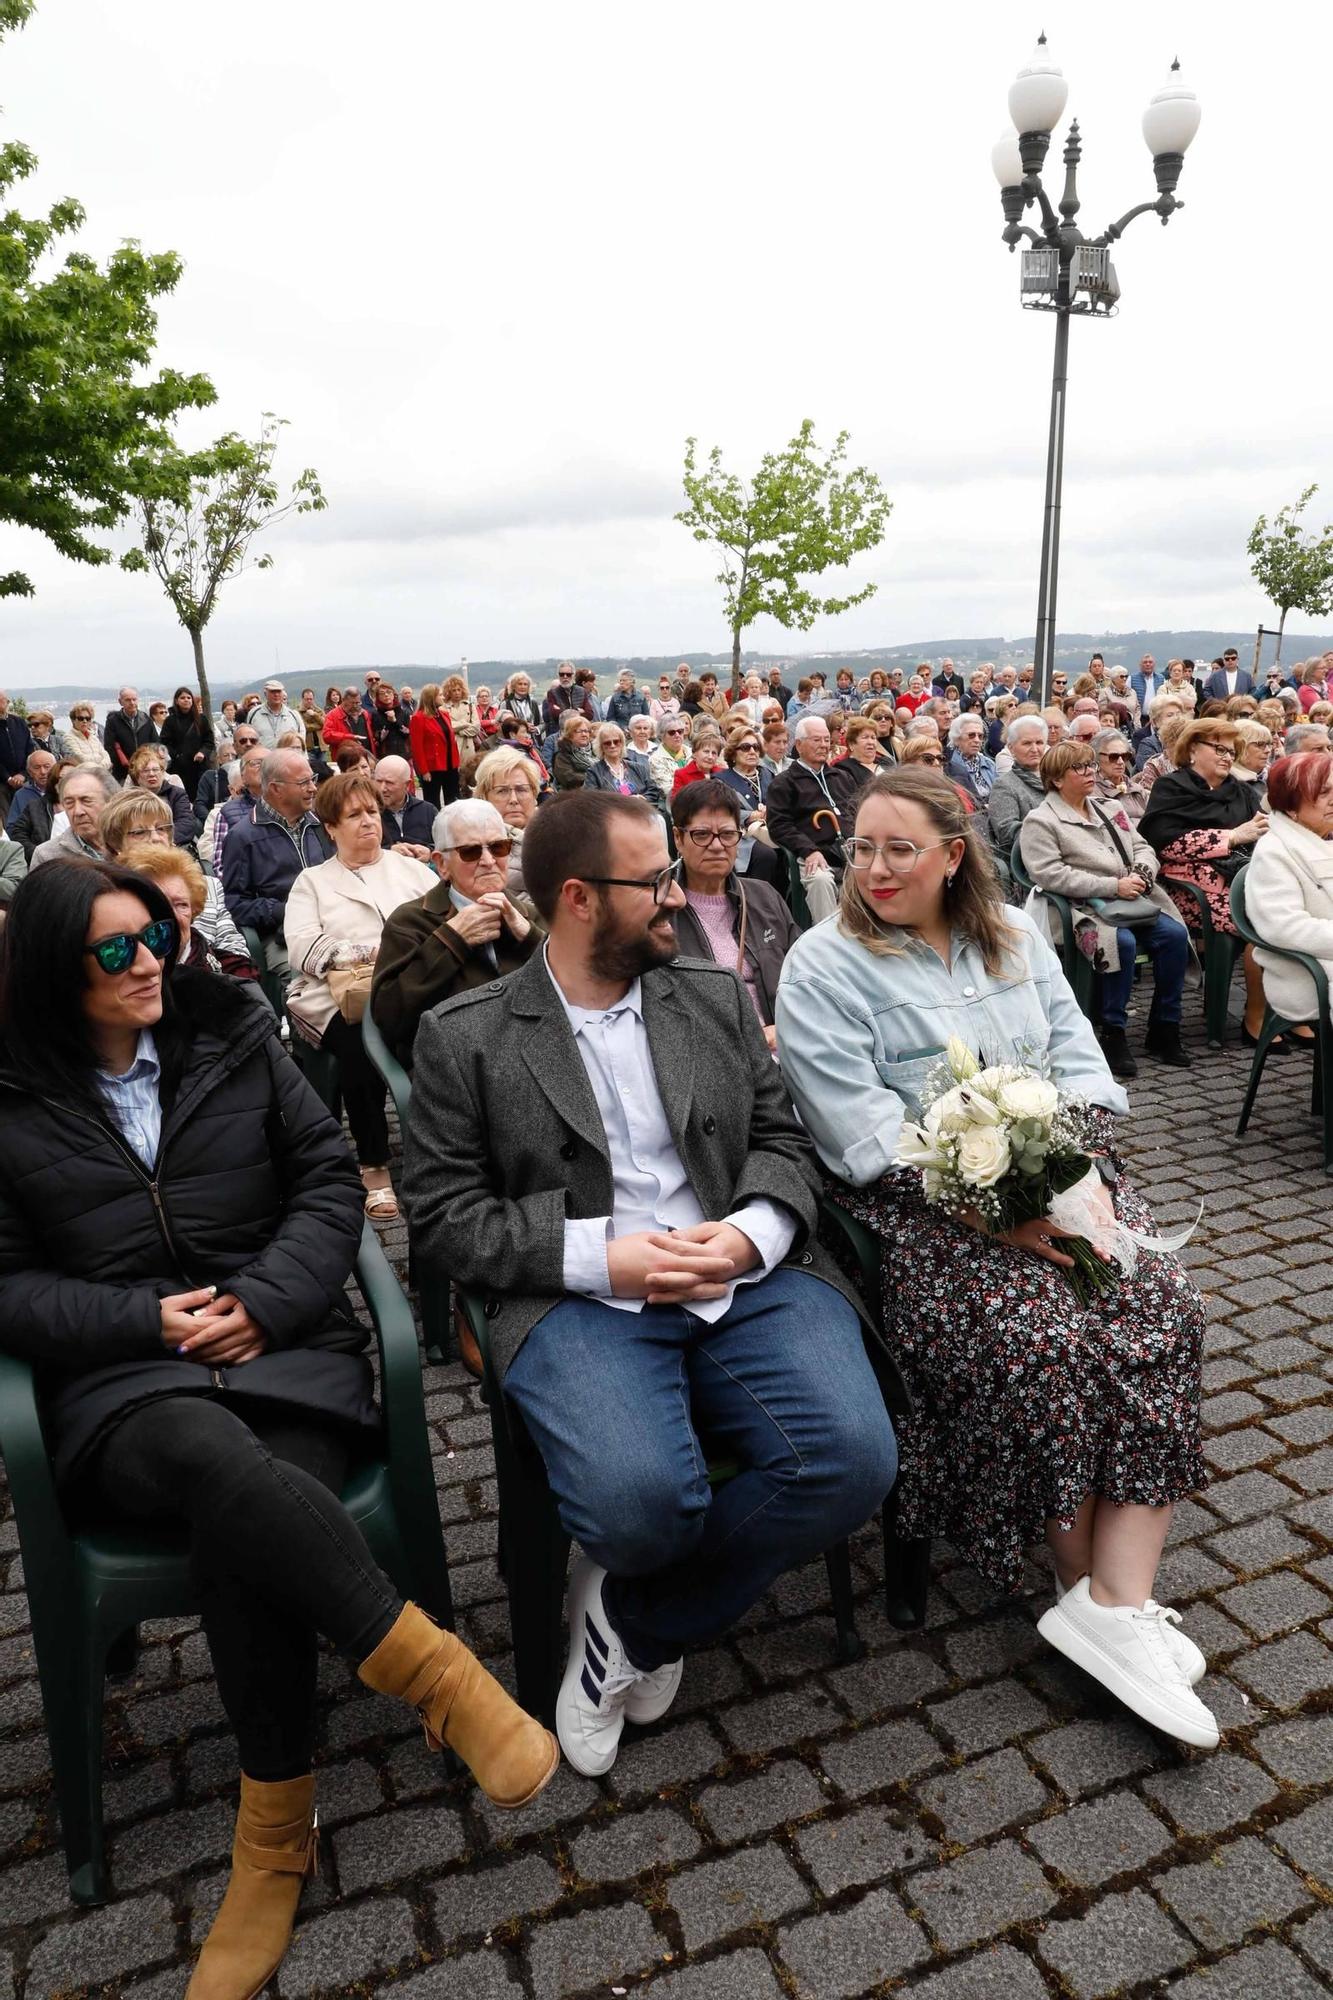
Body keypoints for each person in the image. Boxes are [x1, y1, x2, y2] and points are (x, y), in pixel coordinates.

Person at [0, 858, 558, 1998]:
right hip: (126, 1379)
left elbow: (328, 1180)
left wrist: (263, 1298)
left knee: (245, 1525)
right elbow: (4, 1282)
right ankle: (439, 1676)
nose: (150, 957)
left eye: (151, 932)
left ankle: (272, 1842)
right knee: (218, 1462)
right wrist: (143, 1321)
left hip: (283, 1347)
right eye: (114, 949)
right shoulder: (10, 1091)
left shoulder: (231, 1032)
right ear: (57, 971)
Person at [402, 790, 900, 1776]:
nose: (676, 895)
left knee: (851, 1460)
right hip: (578, 1296)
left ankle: (630, 1622)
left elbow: (782, 1140)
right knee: (638, 1506)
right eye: (656, 879)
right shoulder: (466, 1033)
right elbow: (441, 1215)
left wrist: (751, 1234)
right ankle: (631, 1567)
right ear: (579, 898)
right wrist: (599, 1255)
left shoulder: (708, 995)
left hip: (744, 1276)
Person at [776, 768, 1215, 1748]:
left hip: (1057, 1176)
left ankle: (1112, 1599)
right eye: (862, 847)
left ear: (952, 853)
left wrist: (1073, 1173)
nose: (875, 866)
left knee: (1160, 1305)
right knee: (1042, 1334)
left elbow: (1079, 1059)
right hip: (923, 1215)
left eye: (898, 847)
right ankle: (1081, 1586)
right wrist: (995, 1210)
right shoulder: (822, 963)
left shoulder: (1015, 935)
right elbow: (859, 1135)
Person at [284, 772, 437, 1219]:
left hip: (415, 991)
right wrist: (376, 953)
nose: (368, 821)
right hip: (339, 999)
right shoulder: (312, 882)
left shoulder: (410, 870)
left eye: (372, 811)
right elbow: (302, 947)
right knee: (359, 1049)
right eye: (353, 815)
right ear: (331, 827)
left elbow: (443, 929)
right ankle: (374, 1165)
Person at [1019, 740, 1191, 1076]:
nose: (1089, 773)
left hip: (1131, 900)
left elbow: (1143, 847)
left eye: (1090, 766)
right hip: (1079, 909)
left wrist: (1141, 875)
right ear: (1056, 779)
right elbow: (1049, 874)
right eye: (1079, 768)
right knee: (1119, 944)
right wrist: (1113, 886)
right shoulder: (1041, 821)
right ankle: (1114, 1032)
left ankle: (1165, 1025)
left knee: (1174, 935)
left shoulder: (1110, 808)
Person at [371, 799, 538, 1069]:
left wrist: (529, 936)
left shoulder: (532, 916)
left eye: (498, 847)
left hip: (533, 1059)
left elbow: (579, 994)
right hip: (455, 1071)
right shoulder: (409, 922)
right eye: (470, 852)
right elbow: (390, 1017)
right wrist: (451, 941)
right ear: (442, 864)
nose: (488, 861)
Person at [1139, 718, 1272, 1044]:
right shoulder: (1171, 788)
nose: (1228, 756)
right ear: (1193, 749)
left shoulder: (1240, 792)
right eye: (1219, 749)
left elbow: (1261, 836)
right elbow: (1166, 843)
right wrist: (1231, 837)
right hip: (1186, 887)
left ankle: (1272, 1015)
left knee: (1278, 919)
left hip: (1241, 880)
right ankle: (1255, 1018)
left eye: (1232, 751)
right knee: (1259, 924)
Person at [671, 781, 800, 1050]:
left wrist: (786, 1026)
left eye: (728, 834)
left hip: (782, 1052)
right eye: (702, 835)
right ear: (678, 839)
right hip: (710, 1060)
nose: (717, 846)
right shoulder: (660, 911)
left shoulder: (765, 897)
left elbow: (804, 979)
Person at [101, 788, 254, 977]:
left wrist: (239, 987)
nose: (155, 838)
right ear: (116, 845)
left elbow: (230, 942)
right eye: (140, 832)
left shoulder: (207, 884)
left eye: (161, 829)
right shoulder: (108, 895)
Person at [221, 751, 333, 978]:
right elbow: (234, 904)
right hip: (281, 934)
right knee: (302, 976)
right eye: (304, 782)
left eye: (313, 780)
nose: (313, 788)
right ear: (275, 789)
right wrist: (281, 910)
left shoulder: (320, 825)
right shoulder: (242, 837)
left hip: (331, 922)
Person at [1245, 752, 1333, 1036]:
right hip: (1305, 972)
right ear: (1291, 805)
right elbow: (1284, 927)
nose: (1332, 799)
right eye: (1322, 793)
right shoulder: (1274, 851)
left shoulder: (1322, 837)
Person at [766, 715, 851, 922]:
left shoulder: (841, 777)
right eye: (816, 740)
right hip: (813, 854)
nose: (823, 745)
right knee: (820, 880)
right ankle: (827, 944)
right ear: (799, 744)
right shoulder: (784, 783)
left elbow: (858, 813)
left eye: (826, 740)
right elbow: (779, 825)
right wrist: (809, 850)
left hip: (850, 851)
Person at [987, 715, 1049, 860]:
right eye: (1027, 743)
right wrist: (1053, 832)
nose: (1034, 749)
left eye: (1039, 742)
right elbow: (1006, 833)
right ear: (1011, 748)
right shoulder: (1005, 785)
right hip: (1032, 861)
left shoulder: (1059, 779)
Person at [30, 766, 114, 867]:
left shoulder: (132, 842)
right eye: (69, 803)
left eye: (86, 801)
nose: (77, 811)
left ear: (110, 801)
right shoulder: (46, 856)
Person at [127, 746, 197, 845]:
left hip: (172, 846)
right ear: (137, 776)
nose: (151, 774)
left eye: (155, 769)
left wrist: (163, 841)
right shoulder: (129, 800)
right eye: (145, 771)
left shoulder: (176, 794)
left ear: (163, 772)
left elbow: (186, 823)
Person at [407, 684, 461, 808]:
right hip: (433, 766)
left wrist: (456, 763)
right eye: (440, 695)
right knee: (432, 801)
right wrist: (424, 771)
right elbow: (417, 747)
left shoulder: (444, 714)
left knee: (453, 798)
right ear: (431, 698)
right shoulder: (418, 718)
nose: (443, 697)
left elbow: (451, 740)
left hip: (450, 763)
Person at [157, 687, 215, 802]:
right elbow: (164, 742)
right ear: (177, 700)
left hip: (199, 766)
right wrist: (177, 755)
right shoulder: (170, 721)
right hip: (179, 768)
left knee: (201, 798)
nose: (186, 700)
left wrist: (203, 752)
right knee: (182, 798)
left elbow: (209, 740)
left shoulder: (201, 719)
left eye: (189, 697)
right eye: (182, 698)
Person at [585, 721, 660, 802]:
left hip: (640, 810)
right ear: (601, 746)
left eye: (616, 741)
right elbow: (592, 799)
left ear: (622, 743)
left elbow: (653, 791)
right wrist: (621, 802)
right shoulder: (594, 772)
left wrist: (642, 798)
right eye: (607, 743)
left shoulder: (638, 767)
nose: (612, 745)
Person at [375, 756, 434, 855]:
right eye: (378, 781)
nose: (382, 788)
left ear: (407, 785)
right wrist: (388, 851)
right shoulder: (368, 814)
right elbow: (357, 852)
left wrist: (430, 853)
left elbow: (447, 849)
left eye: (389, 783)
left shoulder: (428, 811)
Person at [717, 725, 771, 832]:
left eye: (756, 747)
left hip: (773, 829)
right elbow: (722, 812)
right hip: (741, 835)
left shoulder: (768, 774)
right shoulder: (721, 781)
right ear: (733, 753)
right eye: (746, 747)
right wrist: (752, 815)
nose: (752, 751)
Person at [1091, 727, 1150, 825]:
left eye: (1124, 756)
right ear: (1097, 757)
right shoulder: (1091, 791)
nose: (1121, 762)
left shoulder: (1137, 789)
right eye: (1113, 757)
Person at [6, 749, 57, 855]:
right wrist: (36, 852)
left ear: (55, 768)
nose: (43, 772)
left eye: (47, 766)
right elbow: (13, 829)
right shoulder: (21, 795)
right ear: (29, 772)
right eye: (37, 767)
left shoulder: (64, 792)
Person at [103, 687, 157, 781]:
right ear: (120, 702)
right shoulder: (113, 721)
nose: (132, 703)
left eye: (134, 699)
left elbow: (155, 743)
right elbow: (109, 746)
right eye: (128, 700)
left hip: (145, 770)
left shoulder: (145, 719)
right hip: (122, 772)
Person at [945, 713, 997, 803]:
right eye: (971, 735)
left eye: (980, 736)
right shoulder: (948, 766)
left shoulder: (989, 764)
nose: (977, 740)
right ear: (957, 738)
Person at [670, 727, 726, 797]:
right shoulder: (681, 774)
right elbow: (676, 802)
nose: (710, 757)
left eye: (714, 753)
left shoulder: (723, 774)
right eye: (706, 751)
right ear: (694, 753)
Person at [249, 683, 304, 753]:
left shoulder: (293, 715)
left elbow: (301, 740)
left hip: (286, 759)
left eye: (279, 691)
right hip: (262, 759)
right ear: (265, 694)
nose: (276, 694)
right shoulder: (254, 713)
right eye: (273, 692)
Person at [322, 687, 375, 760]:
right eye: (352, 703)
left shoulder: (364, 713)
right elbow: (327, 736)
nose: (355, 706)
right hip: (345, 759)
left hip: (366, 757)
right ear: (343, 700)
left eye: (358, 702)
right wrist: (350, 738)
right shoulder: (332, 715)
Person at [63, 703, 114, 774]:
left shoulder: (93, 737)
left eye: (88, 718)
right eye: (81, 718)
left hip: (100, 775)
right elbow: (82, 759)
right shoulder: (68, 738)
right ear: (73, 720)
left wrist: (99, 768)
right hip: (82, 776)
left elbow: (106, 757)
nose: (85, 721)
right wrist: (100, 758)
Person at [542, 662, 591, 734]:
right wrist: (578, 711)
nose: (565, 677)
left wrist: (563, 711)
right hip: (560, 734)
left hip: (579, 733)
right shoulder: (552, 693)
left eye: (568, 674)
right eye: (562, 674)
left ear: (573, 675)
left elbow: (589, 714)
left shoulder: (581, 691)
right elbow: (555, 715)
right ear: (558, 676)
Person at [0, 692, 33, 798]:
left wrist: (23, 774)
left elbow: (29, 750)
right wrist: (8, 778)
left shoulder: (19, 722)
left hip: (23, 779)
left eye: (2, 700)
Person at [553, 710, 595, 791]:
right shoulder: (562, 755)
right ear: (569, 734)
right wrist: (594, 776)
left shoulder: (597, 751)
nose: (584, 734)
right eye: (579, 731)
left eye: (586, 731)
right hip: (575, 796)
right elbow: (569, 779)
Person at [649, 714, 690, 796]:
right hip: (673, 802)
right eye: (672, 732)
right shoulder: (656, 759)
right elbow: (668, 788)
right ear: (662, 736)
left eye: (680, 731)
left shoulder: (692, 753)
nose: (677, 735)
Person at [371, 683, 413, 763]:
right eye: (382, 693)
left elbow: (407, 733)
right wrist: (389, 723)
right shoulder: (376, 714)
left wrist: (395, 721)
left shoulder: (404, 712)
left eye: (389, 692)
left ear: (394, 695)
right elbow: (379, 738)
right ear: (378, 697)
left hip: (404, 754)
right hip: (386, 755)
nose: (386, 695)